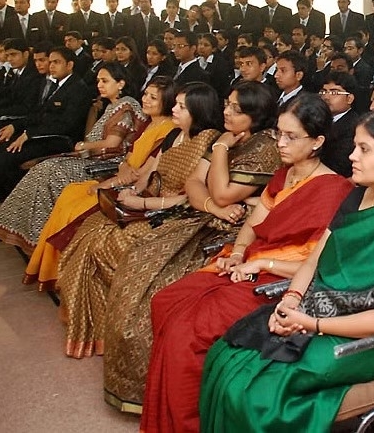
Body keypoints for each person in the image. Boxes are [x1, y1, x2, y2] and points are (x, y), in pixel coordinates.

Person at [199, 109, 374, 433]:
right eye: (355, 146)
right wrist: (291, 299)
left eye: (364, 149)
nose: (352, 156)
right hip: (319, 310)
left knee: (257, 392)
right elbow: (313, 260)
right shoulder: (358, 195)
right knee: (227, 355)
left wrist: (312, 324)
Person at [139, 93, 353, 433]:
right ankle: (176, 409)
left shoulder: (334, 190)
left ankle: (191, 422)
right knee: (165, 300)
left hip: (278, 283)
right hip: (247, 265)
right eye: (279, 133)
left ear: (317, 142)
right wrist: (239, 252)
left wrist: (260, 263)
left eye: (291, 137)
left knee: (187, 331)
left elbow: (316, 264)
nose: (280, 143)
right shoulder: (283, 175)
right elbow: (254, 223)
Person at [103, 81, 283, 413]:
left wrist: (220, 152)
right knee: (139, 260)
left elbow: (224, 193)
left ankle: (156, 383)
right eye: (227, 104)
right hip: (205, 215)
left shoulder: (264, 146)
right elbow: (194, 182)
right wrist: (212, 205)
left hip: (235, 229)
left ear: (256, 116)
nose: (227, 112)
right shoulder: (226, 136)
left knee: (161, 282)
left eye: (236, 109)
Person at [57, 82, 224, 359]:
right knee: (91, 229)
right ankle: (97, 326)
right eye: (176, 104)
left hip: (179, 213)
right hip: (150, 202)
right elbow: (150, 171)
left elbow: (189, 198)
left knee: (106, 243)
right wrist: (133, 191)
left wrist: (143, 203)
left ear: (199, 111)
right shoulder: (174, 135)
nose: (174, 109)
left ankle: (110, 328)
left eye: (181, 107)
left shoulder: (207, 142)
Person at [21, 77, 177, 292]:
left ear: (166, 101)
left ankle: (61, 272)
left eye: (153, 97)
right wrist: (123, 168)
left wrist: (111, 183)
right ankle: (48, 267)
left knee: (77, 206)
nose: (146, 100)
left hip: (132, 186)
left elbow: (142, 174)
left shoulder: (168, 130)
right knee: (69, 193)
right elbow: (127, 160)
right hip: (122, 175)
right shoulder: (148, 123)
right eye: (145, 95)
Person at [0, 62, 147, 249]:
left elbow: (112, 144)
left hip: (109, 164)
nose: (99, 85)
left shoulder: (125, 106)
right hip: (94, 157)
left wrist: (83, 145)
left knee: (50, 171)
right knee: (42, 169)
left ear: (120, 83)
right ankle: (33, 232)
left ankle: (44, 237)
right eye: (98, 81)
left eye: (105, 81)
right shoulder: (112, 105)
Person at [0, 46, 93, 203]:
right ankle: (5, 193)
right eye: (51, 62)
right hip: (41, 133)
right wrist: (16, 126)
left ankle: (22, 199)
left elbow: (67, 125)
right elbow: (39, 114)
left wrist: (29, 134)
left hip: (59, 140)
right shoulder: (57, 85)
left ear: (69, 65)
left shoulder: (78, 88)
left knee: (3, 159)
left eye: (57, 62)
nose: (51, 66)